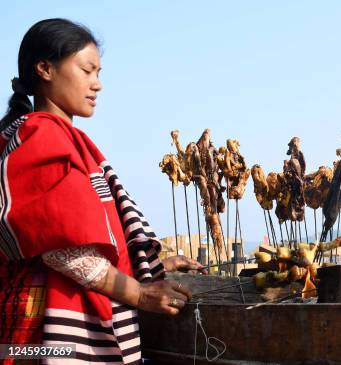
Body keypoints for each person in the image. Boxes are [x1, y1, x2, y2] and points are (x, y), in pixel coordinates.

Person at [0, 18, 203, 364]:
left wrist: (152, 264)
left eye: (99, 73)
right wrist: (139, 293)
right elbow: (60, 248)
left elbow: (80, 239)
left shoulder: (58, 138)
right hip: (45, 336)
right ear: (45, 68)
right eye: (87, 70)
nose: (98, 85)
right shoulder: (41, 136)